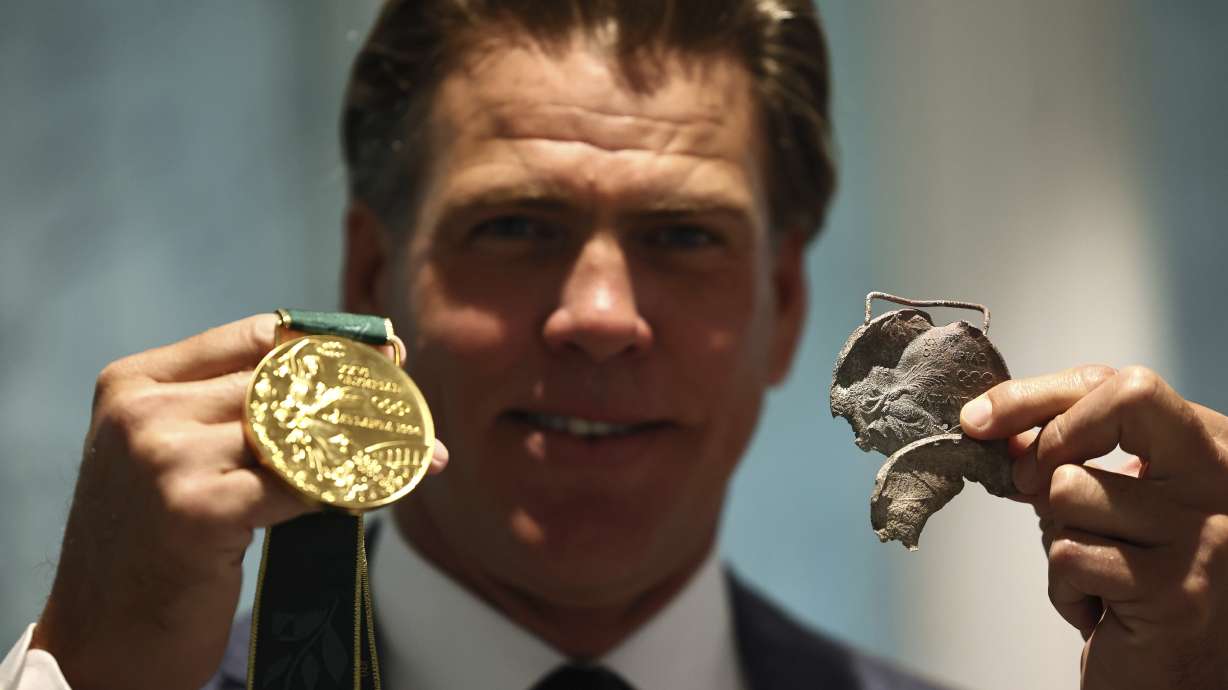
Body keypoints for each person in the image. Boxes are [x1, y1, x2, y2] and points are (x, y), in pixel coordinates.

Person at [3, 1, 1227, 688]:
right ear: (375, 278)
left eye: (684, 237)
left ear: (787, 310)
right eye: (518, 225)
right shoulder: (123, 689)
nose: (598, 316)